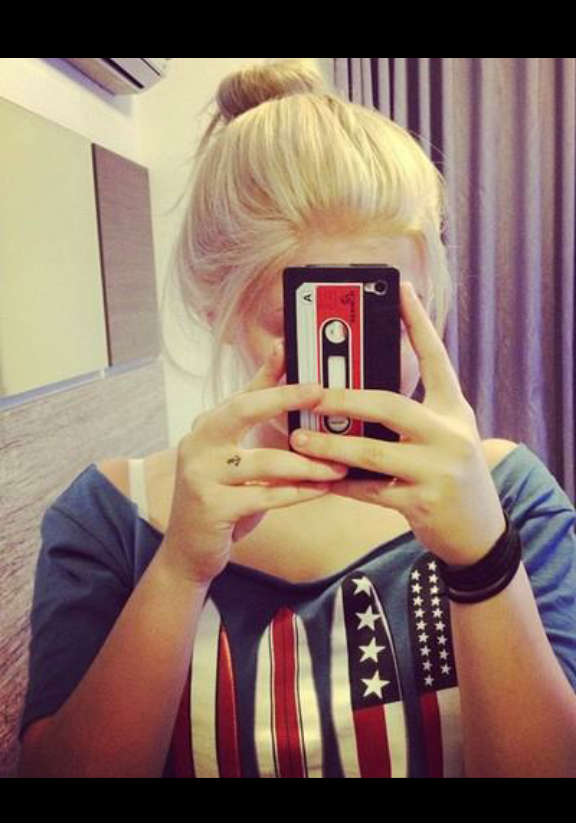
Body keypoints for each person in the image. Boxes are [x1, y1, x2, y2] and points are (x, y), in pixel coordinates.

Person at [18, 59, 576, 778]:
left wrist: (483, 561)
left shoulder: (510, 498)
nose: (345, 379)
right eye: (308, 328)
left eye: (385, 322)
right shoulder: (110, 516)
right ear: (215, 308)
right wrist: (179, 568)